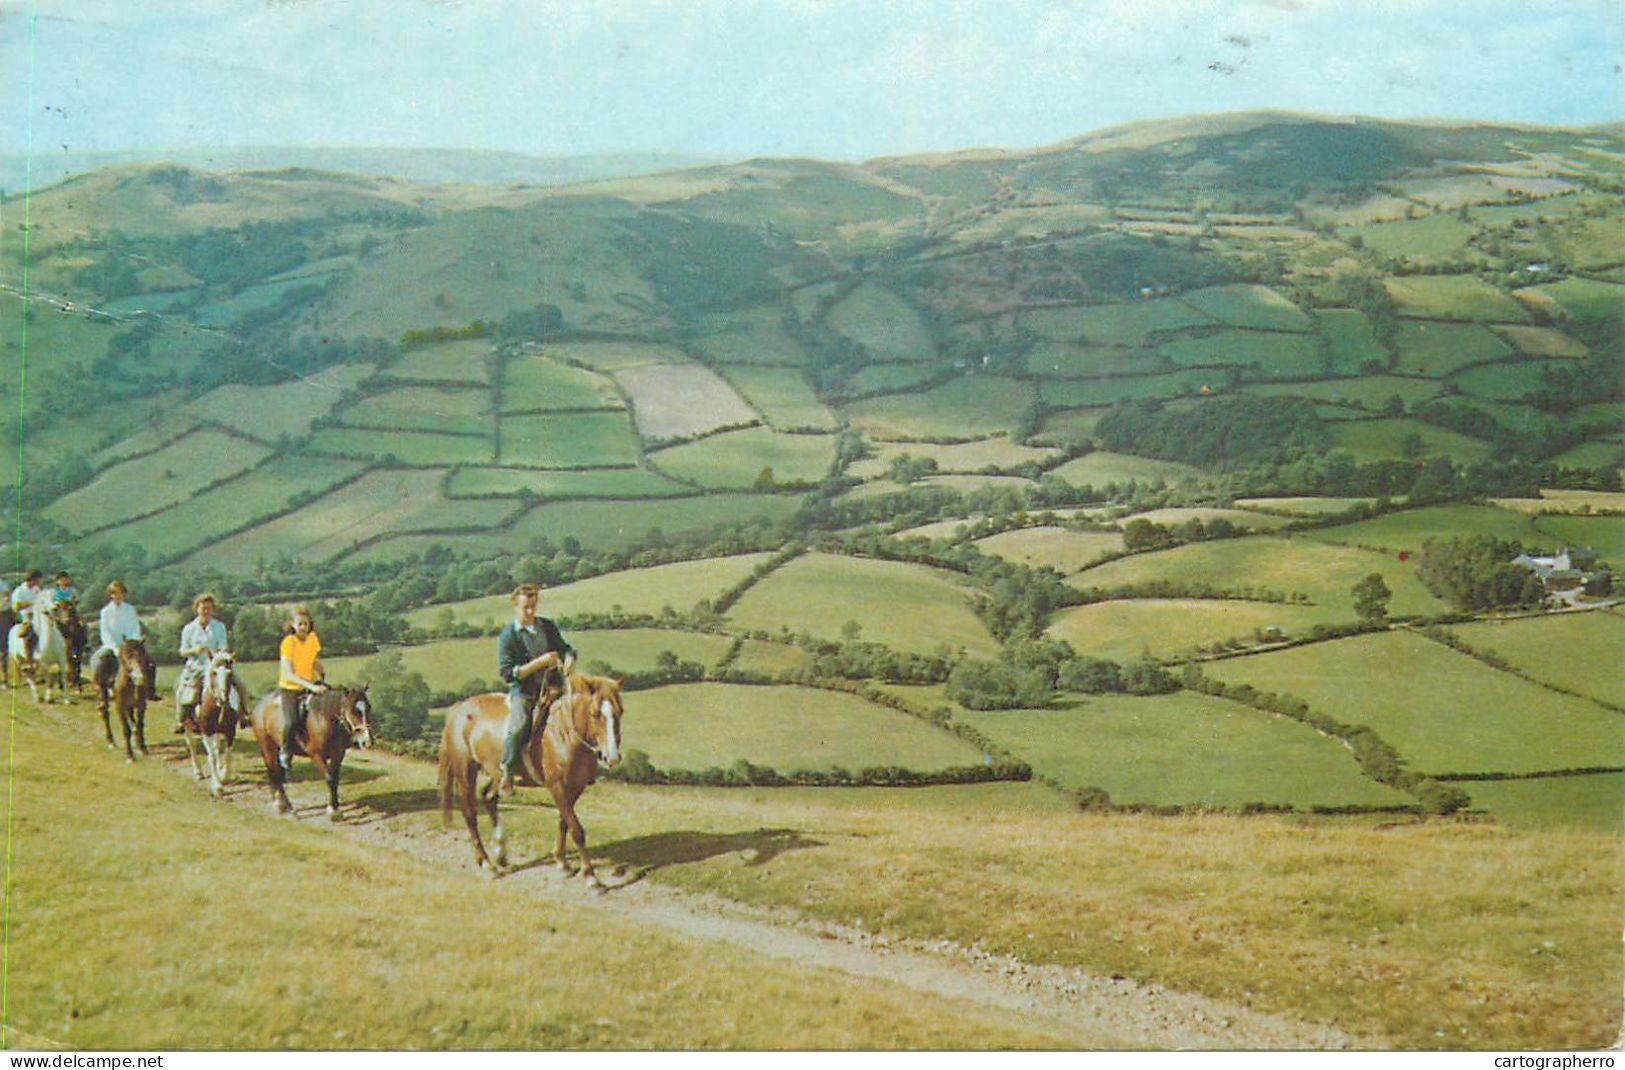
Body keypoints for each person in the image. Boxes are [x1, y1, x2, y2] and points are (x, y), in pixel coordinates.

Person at [497, 583, 575, 797]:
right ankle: (508, 771)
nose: (531, 612)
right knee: (519, 724)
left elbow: (564, 647)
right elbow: (508, 674)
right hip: (525, 692)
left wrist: (569, 658)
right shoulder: (508, 636)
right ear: (515, 607)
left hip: (553, 687)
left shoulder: (547, 627)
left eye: (533, 606)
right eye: (526, 608)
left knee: (582, 715)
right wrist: (539, 662)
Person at [277, 605, 326, 773]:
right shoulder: (288, 643)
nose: (303, 627)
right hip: (291, 688)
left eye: (306, 623)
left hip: (309, 685)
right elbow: (288, 674)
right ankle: (285, 751)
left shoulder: (313, 638)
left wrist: (321, 670)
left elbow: (311, 659)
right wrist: (311, 686)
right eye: (300, 624)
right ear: (292, 624)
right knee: (292, 721)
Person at [92, 580, 156, 701]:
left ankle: (150, 691)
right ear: (110, 595)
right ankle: (102, 689)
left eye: (121, 593)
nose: (118, 596)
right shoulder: (105, 612)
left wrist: (131, 644)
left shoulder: (130, 609)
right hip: (112, 645)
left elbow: (134, 627)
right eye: (115, 593)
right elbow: (105, 631)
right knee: (101, 661)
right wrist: (115, 647)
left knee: (150, 663)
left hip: (130, 645)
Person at [176, 593, 229, 732]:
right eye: (203, 608)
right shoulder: (189, 629)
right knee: (181, 690)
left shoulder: (219, 626)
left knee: (239, 684)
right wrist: (195, 650)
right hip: (196, 666)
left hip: (215, 666)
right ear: (197, 609)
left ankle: (243, 714)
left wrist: (221, 652)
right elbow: (182, 651)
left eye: (209, 608)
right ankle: (181, 720)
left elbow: (224, 645)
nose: (206, 611)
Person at [9, 570, 43, 659]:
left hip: (38, 614)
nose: (38, 583)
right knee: (28, 632)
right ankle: (28, 656)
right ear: (31, 579)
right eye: (37, 580)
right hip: (26, 615)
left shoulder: (36, 589)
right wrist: (31, 603)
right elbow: (16, 607)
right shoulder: (19, 591)